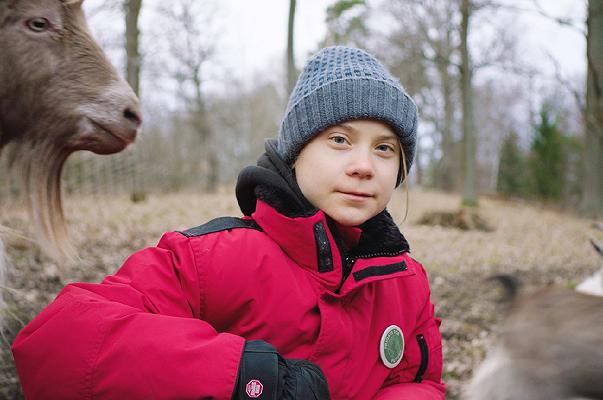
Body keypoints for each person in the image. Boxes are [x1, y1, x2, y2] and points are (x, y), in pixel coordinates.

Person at [12, 46, 445, 399]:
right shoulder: (210, 259)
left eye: (385, 149)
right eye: (339, 140)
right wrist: (251, 379)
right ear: (297, 152)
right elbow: (55, 344)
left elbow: (419, 383)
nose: (364, 166)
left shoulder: (407, 283)